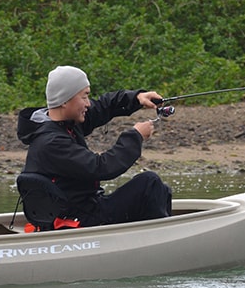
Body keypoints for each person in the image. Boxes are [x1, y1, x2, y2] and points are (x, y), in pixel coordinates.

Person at [17, 66, 172, 227]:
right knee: (150, 183)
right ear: (64, 101)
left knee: (163, 190)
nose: (88, 103)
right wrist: (135, 136)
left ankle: (152, 232)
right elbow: (101, 167)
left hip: (84, 209)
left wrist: (137, 98)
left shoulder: (61, 123)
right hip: (79, 217)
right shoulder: (52, 143)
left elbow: (103, 107)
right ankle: (159, 235)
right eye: (84, 96)